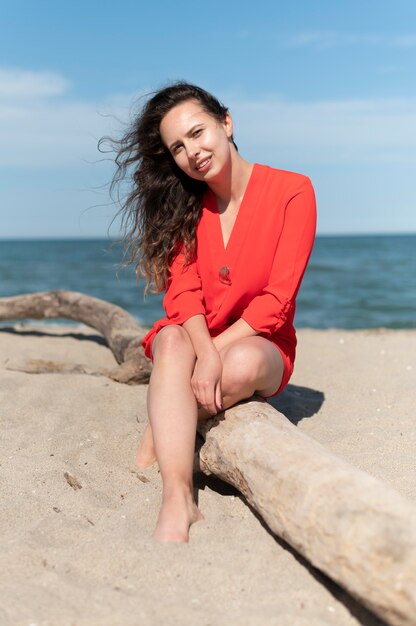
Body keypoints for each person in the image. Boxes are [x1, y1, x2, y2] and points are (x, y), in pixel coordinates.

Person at [108, 81, 316, 543]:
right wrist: (202, 351)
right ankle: (177, 497)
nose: (193, 153)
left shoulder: (293, 191)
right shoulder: (184, 206)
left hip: (261, 342)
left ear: (226, 122)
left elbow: (276, 301)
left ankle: (164, 421)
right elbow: (183, 293)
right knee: (169, 337)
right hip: (194, 338)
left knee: (238, 361)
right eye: (178, 148)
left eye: (198, 133)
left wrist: (214, 354)